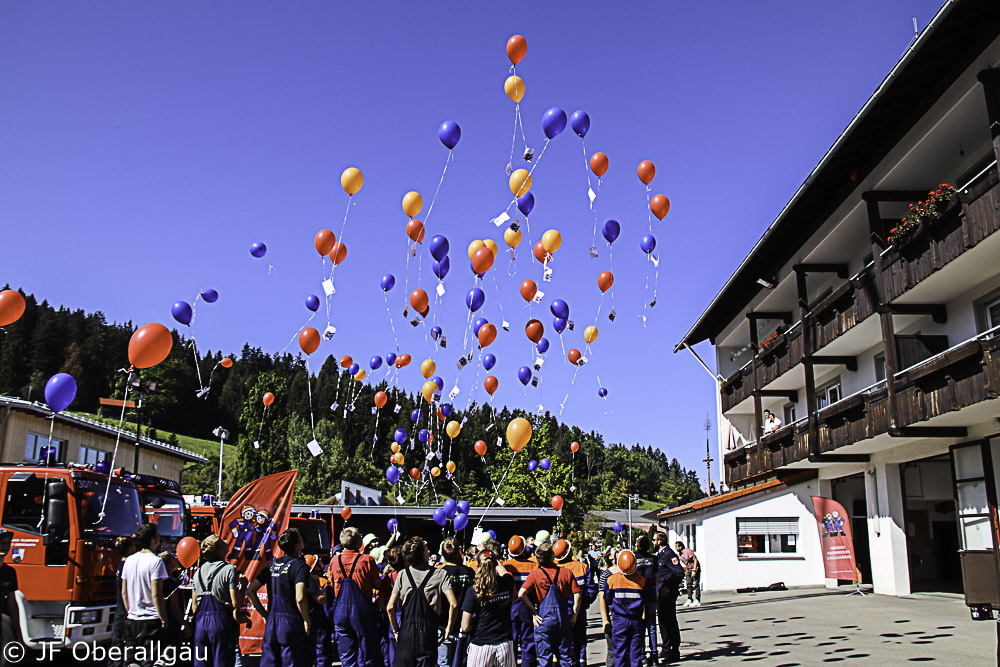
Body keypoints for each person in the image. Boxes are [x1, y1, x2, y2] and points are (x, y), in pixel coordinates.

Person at [388, 537, 459, 667]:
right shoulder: (440, 574)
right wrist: (449, 627)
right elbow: (453, 603)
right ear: (422, 554)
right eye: (426, 549)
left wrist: (396, 631)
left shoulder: (403, 574)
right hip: (428, 632)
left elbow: (390, 607)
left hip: (406, 632)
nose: (429, 551)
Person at [517, 541, 581, 667]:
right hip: (563, 619)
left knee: (544, 659)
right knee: (565, 657)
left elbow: (521, 594)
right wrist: (574, 614)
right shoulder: (566, 572)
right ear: (552, 556)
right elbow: (577, 593)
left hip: (544, 620)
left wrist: (534, 612)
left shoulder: (535, 574)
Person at [328, 527, 384, 667]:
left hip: (340, 610)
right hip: (362, 610)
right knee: (368, 652)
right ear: (359, 542)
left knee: (347, 656)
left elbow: (331, 582)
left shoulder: (335, 560)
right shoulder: (367, 560)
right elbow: (377, 585)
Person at [260, 528, 311, 667]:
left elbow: (251, 590)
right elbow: (299, 597)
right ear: (297, 546)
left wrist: (264, 614)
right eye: (300, 538)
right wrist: (306, 620)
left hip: (272, 621)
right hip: (290, 622)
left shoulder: (271, 565)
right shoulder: (301, 566)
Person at [191, 535, 243, 667]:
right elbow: (235, 603)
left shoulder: (198, 572)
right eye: (223, 543)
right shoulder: (229, 569)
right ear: (220, 551)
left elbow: (194, 606)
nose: (226, 543)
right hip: (220, 622)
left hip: (200, 624)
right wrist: (243, 586)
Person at [459, 549, 516, 667]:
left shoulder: (474, 590)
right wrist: (494, 560)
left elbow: (465, 626)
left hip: (480, 645)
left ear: (477, 565)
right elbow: (504, 572)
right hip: (504, 644)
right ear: (495, 563)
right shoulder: (507, 582)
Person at [122, 524, 169, 667]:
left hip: (132, 619)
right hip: (150, 620)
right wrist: (163, 618)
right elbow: (156, 593)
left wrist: (131, 610)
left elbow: (124, 592)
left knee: (130, 661)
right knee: (148, 661)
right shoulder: (156, 561)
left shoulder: (129, 560)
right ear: (153, 539)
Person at [602, 551, 645, 667]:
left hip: (620, 621)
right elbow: (647, 600)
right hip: (636, 620)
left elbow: (607, 599)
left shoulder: (611, 580)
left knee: (619, 654)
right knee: (635, 655)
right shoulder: (641, 581)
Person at [503, 536, 537, 667]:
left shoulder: (506, 566)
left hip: (510, 608)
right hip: (527, 608)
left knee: (510, 643)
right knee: (528, 642)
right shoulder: (533, 566)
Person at [439, 537, 474, 667]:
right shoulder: (469, 572)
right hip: (464, 625)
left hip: (442, 625)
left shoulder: (439, 573)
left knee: (443, 664)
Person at [554, 541, 589, 667]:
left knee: (565, 641)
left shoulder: (554, 569)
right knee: (580, 639)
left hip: (561, 610)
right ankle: (581, 662)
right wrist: (585, 603)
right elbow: (591, 589)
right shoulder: (582, 567)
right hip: (579, 610)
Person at [651, 533, 684, 664]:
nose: (652, 541)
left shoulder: (669, 554)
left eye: (654, 539)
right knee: (663, 621)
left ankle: (674, 650)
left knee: (670, 621)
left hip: (667, 594)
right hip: (660, 593)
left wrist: (669, 587)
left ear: (660, 541)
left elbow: (679, 572)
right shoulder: (660, 554)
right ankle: (666, 647)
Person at [108, 536, 135, 667]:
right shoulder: (128, 566)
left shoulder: (120, 566)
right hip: (125, 609)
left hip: (119, 607)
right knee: (123, 643)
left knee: (117, 641)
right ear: (129, 547)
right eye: (133, 545)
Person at [632, 536, 658, 663]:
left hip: (638, 595)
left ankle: (642, 655)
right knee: (652, 625)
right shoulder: (653, 558)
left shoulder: (634, 558)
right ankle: (655, 654)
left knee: (640, 626)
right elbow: (657, 577)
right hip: (651, 594)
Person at [597, 551, 617, 667]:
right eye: (615, 551)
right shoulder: (606, 575)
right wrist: (605, 620)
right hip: (612, 615)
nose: (618, 550)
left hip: (626, 618)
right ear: (610, 557)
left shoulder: (627, 572)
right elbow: (602, 597)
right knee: (612, 651)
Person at [674, 543, 699, 608]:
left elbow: (695, 560)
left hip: (694, 568)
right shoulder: (679, 554)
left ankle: (697, 599)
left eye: (676, 546)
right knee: (688, 584)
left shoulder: (687, 551)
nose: (675, 548)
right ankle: (689, 599)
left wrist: (694, 570)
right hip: (688, 568)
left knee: (696, 584)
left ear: (681, 546)